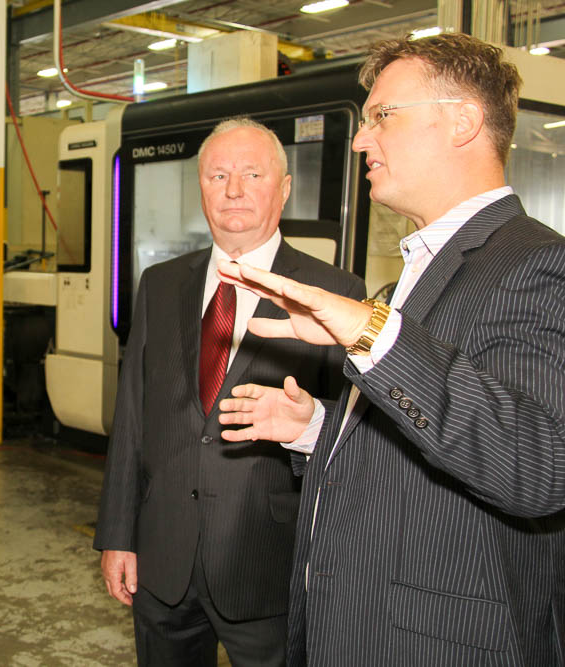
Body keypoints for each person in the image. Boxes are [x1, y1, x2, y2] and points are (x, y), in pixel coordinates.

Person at [216, 33, 565, 665]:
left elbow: (537, 467)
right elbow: (428, 442)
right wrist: (319, 428)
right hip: (359, 627)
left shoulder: (539, 264)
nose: (360, 140)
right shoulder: (421, 268)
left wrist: (371, 331)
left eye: (382, 116)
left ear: (463, 121)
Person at [94, 117, 365, 666]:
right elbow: (132, 418)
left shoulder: (333, 293)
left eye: (252, 174)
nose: (233, 190)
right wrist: (118, 535)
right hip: (163, 560)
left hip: (268, 565)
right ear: (201, 187)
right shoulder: (161, 284)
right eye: (218, 175)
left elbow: (356, 438)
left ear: (283, 189)